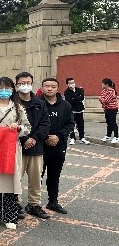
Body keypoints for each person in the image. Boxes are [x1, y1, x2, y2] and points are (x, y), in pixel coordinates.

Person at [0, 77, 31, 230]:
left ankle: (10, 216)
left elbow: (27, 127)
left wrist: (18, 128)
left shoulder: (18, 108)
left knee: (11, 181)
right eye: (1, 88)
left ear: (12, 90)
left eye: (7, 88)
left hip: (11, 148)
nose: (4, 91)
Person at [15, 72, 50, 220]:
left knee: (36, 179)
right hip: (18, 147)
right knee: (16, 179)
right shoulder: (13, 104)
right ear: (16, 85)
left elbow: (45, 124)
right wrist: (24, 139)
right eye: (22, 83)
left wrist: (34, 138)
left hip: (36, 148)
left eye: (28, 83)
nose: (25, 86)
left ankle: (34, 204)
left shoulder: (40, 103)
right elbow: (11, 125)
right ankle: (15, 204)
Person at [40, 78, 74, 215]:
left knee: (54, 175)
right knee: (37, 175)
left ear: (57, 88)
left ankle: (53, 202)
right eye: (47, 86)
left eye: (53, 86)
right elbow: (33, 124)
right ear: (42, 88)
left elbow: (70, 124)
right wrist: (45, 137)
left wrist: (58, 137)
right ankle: (33, 203)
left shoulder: (66, 105)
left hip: (59, 146)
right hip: (40, 146)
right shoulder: (37, 104)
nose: (50, 88)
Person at [64, 77, 90, 145]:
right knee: (72, 125)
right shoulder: (67, 92)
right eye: (70, 83)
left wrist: (75, 99)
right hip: (72, 110)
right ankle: (72, 138)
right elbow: (69, 101)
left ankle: (82, 138)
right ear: (68, 84)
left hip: (79, 110)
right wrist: (77, 99)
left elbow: (82, 97)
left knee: (81, 124)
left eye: (73, 82)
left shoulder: (79, 90)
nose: (72, 84)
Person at [99, 78, 118, 143]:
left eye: (102, 84)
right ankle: (108, 135)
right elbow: (102, 99)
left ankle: (116, 136)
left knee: (113, 122)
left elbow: (106, 100)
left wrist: (101, 99)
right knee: (108, 122)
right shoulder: (103, 91)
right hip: (106, 108)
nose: (101, 85)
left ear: (106, 84)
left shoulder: (112, 91)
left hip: (112, 108)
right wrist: (102, 99)